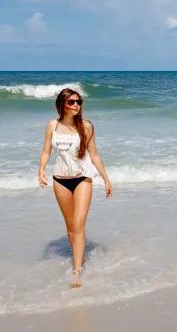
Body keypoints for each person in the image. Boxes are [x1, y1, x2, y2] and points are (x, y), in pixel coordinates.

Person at [38, 87, 112, 288]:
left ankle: (77, 270)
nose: (76, 105)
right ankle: (77, 253)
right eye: (71, 102)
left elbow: (94, 155)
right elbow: (46, 151)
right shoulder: (52, 125)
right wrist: (41, 170)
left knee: (78, 225)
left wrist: (106, 179)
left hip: (82, 179)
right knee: (70, 226)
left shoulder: (86, 126)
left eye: (79, 102)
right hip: (60, 180)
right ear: (62, 104)